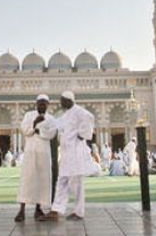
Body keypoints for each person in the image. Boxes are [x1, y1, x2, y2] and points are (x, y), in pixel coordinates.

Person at [40, 90, 94, 222]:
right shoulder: (67, 114)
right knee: (62, 181)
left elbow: (90, 117)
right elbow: (56, 124)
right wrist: (43, 122)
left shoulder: (79, 111)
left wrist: (83, 134)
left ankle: (79, 212)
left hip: (75, 153)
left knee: (77, 183)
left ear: (69, 100)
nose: (61, 103)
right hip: (66, 154)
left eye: (62, 101)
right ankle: (56, 210)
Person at [15, 94, 58, 222]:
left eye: (44, 103)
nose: (42, 105)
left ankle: (38, 209)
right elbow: (24, 130)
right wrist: (34, 124)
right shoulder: (29, 115)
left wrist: (41, 132)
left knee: (42, 181)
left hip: (44, 153)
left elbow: (52, 133)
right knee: (27, 179)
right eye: (40, 103)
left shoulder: (51, 119)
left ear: (48, 105)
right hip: (30, 152)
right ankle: (21, 210)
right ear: (36, 104)